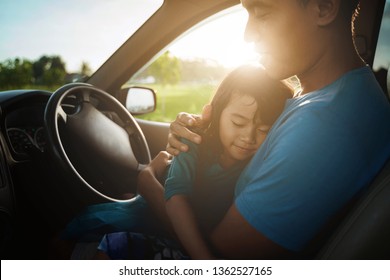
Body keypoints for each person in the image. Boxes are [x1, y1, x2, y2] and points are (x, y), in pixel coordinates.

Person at [164, 0, 390, 259]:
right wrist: (200, 133)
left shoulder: (322, 125)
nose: (248, 35)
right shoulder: (331, 97)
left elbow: (223, 259)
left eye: (263, 13)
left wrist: (152, 186)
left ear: (325, 7)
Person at [96, 65, 292, 259]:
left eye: (264, 129)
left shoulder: (261, 162)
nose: (248, 137)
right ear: (214, 113)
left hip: (182, 234)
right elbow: (176, 198)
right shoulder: (192, 139)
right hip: (149, 218)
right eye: (238, 123)